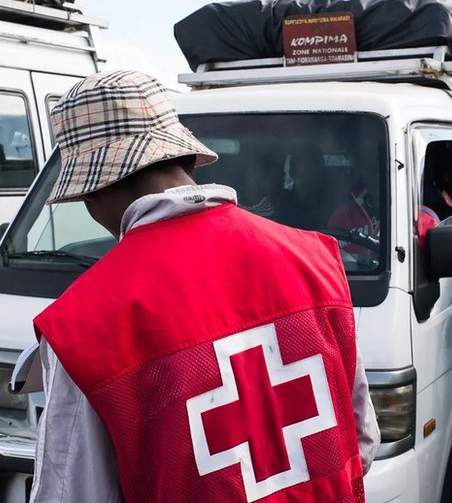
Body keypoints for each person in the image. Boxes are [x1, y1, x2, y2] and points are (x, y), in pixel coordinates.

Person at [22, 70, 380, 503]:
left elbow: (72, 493)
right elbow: (361, 440)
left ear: (90, 192)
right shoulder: (314, 259)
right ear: (189, 160)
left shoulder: (83, 325)